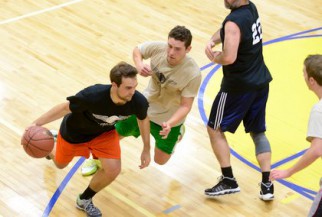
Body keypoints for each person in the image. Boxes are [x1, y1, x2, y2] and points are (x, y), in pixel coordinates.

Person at [29, 62, 151, 217]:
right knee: (60, 165)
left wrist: (146, 148)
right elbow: (64, 108)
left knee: (113, 170)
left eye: (135, 87)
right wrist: (36, 124)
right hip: (74, 134)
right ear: (114, 85)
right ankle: (51, 145)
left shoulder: (137, 101)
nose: (132, 92)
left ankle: (84, 199)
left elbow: (143, 119)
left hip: (103, 135)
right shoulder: (92, 96)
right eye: (128, 88)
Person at [81, 25, 202, 176]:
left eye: (177, 49)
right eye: (170, 46)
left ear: (188, 49)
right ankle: (96, 159)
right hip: (144, 107)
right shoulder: (158, 49)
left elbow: (185, 106)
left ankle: (179, 134)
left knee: (160, 160)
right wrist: (139, 65)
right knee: (112, 135)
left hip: (167, 120)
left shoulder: (193, 73)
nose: (171, 52)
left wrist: (170, 124)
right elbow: (137, 50)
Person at [204, 0, 274, 201]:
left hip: (237, 87)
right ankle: (267, 184)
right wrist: (213, 39)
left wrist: (214, 56)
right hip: (260, 81)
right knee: (258, 131)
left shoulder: (233, 21)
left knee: (214, 128)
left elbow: (229, 57)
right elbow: (229, 32)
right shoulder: (250, 8)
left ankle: (228, 180)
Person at [270, 54, 322, 217]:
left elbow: (317, 150)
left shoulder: (319, 110)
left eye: (304, 73)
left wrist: (289, 171)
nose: (303, 76)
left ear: (312, 81)